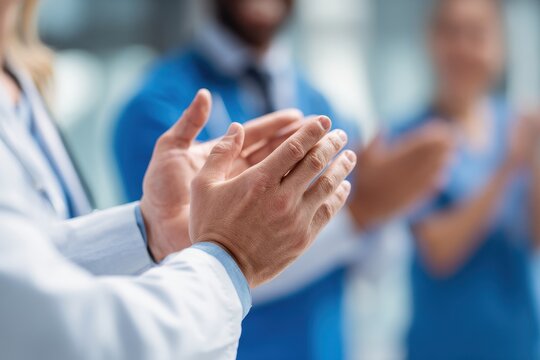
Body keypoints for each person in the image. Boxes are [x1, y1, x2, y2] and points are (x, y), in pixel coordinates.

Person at [114, 0, 453, 358]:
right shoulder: (160, 110)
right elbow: (181, 274)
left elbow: (371, 270)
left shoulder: (325, 104)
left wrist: (390, 206)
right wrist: (361, 211)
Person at [1, 99, 358, 359]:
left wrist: (149, 232)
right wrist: (231, 255)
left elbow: (24, 278)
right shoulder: (156, 101)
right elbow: (70, 333)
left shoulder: (23, 88)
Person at [391, 0, 540, 358]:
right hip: (442, 347)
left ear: (500, 47)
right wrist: (509, 167)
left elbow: (535, 236)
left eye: (477, 34)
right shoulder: (410, 137)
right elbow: (438, 251)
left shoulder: (517, 126)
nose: (463, 48)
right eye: (451, 32)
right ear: (431, 41)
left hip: (519, 344)